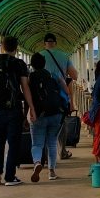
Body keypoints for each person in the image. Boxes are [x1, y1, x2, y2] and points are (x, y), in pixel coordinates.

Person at [0, 36, 36, 185]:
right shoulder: (19, 64)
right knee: (13, 143)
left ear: (2, 46)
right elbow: (25, 88)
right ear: (16, 48)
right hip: (13, 109)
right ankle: (10, 177)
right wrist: (31, 108)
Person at [39, 33, 78, 161]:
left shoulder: (39, 56)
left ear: (44, 44)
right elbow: (74, 76)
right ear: (55, 43)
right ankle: (62, 151)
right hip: (60, 97)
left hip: (41, 96)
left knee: (43, 125)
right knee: (62, 124)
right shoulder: (63, 56)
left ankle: (43, 155)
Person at [27, 52, 65, 182]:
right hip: (55, 113)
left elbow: (28, 98)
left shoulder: (30, 78)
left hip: (39, 115)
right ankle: (51, 172)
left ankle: (37, 162)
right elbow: (64, 89)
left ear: (32, 64)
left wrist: (26, 114)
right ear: (44, 63)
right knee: (52, 143)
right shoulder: (52, 75)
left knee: (37, 144)